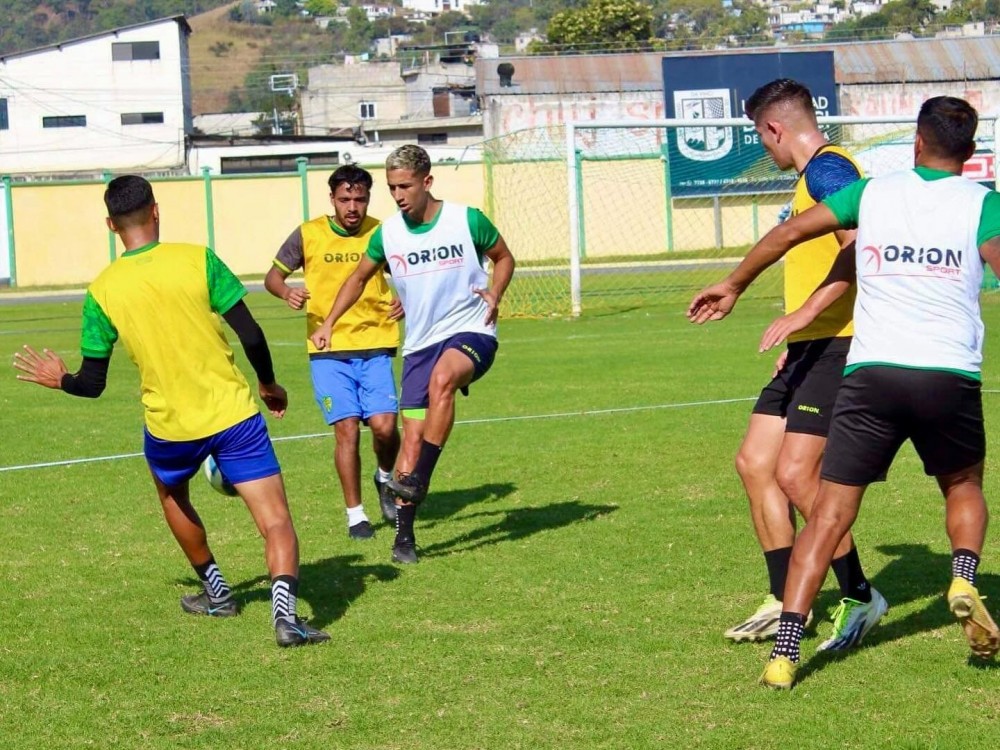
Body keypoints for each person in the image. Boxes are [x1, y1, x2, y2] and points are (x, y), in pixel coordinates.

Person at [688, 95, 1000, 689]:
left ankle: (784, 654)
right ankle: (962, 576)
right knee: (962, 484)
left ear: (916, 141)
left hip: (870, 370)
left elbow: (787, 236)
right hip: (947, 374)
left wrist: (733, 283)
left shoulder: (871, 191)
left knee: (827, 511)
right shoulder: (985, 205)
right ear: (971, 150)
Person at [13, 175, 329, 648]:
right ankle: (285, 617)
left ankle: (218, 594)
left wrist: (60, 379)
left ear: (110, 225)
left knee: (172, 496)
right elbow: (252, 333)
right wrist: (268, 383)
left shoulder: (102, 290)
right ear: (155, 210)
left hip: (169, 425)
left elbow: (92, 385)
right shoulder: (197, 259)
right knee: (275, 519)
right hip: (233, 415)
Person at [721, 79, 886, 649]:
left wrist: (805, 313)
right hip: (810, 346)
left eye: (759, 136)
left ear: (773, 128)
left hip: (842, 341)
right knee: (754, 463)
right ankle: (783, 595)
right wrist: (798, 335)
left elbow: (860, 244)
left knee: (795, 475)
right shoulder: (810, 177)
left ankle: (861, 596)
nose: (763, 146)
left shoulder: (828, 169)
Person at [310, 145, 516, 565]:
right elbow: (358, 278)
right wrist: (329, 322)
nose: (398, 195)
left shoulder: (467, 219)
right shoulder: (388, 234)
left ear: (427, 181)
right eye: (391, 188)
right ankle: (404, 538)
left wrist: (495, 290)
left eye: (404, 186)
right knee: (410, 440)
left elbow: (503, 257)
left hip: (472, 330)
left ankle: (419, 478)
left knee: (444, 378)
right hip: (420, 345)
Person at [265, 165, 401, 540]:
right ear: (332, 200)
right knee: (346, 431)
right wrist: (286, 292)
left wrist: (404, 297)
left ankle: (385, 478)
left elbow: (407, 273)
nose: (352, 207)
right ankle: (356, 515)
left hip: (375, 341)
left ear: (369, 199)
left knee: (385, 427)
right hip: (327, 348)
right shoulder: (309, 234)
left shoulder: (383, 232)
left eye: (360, 199)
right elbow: (273, 277)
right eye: (345, 199)